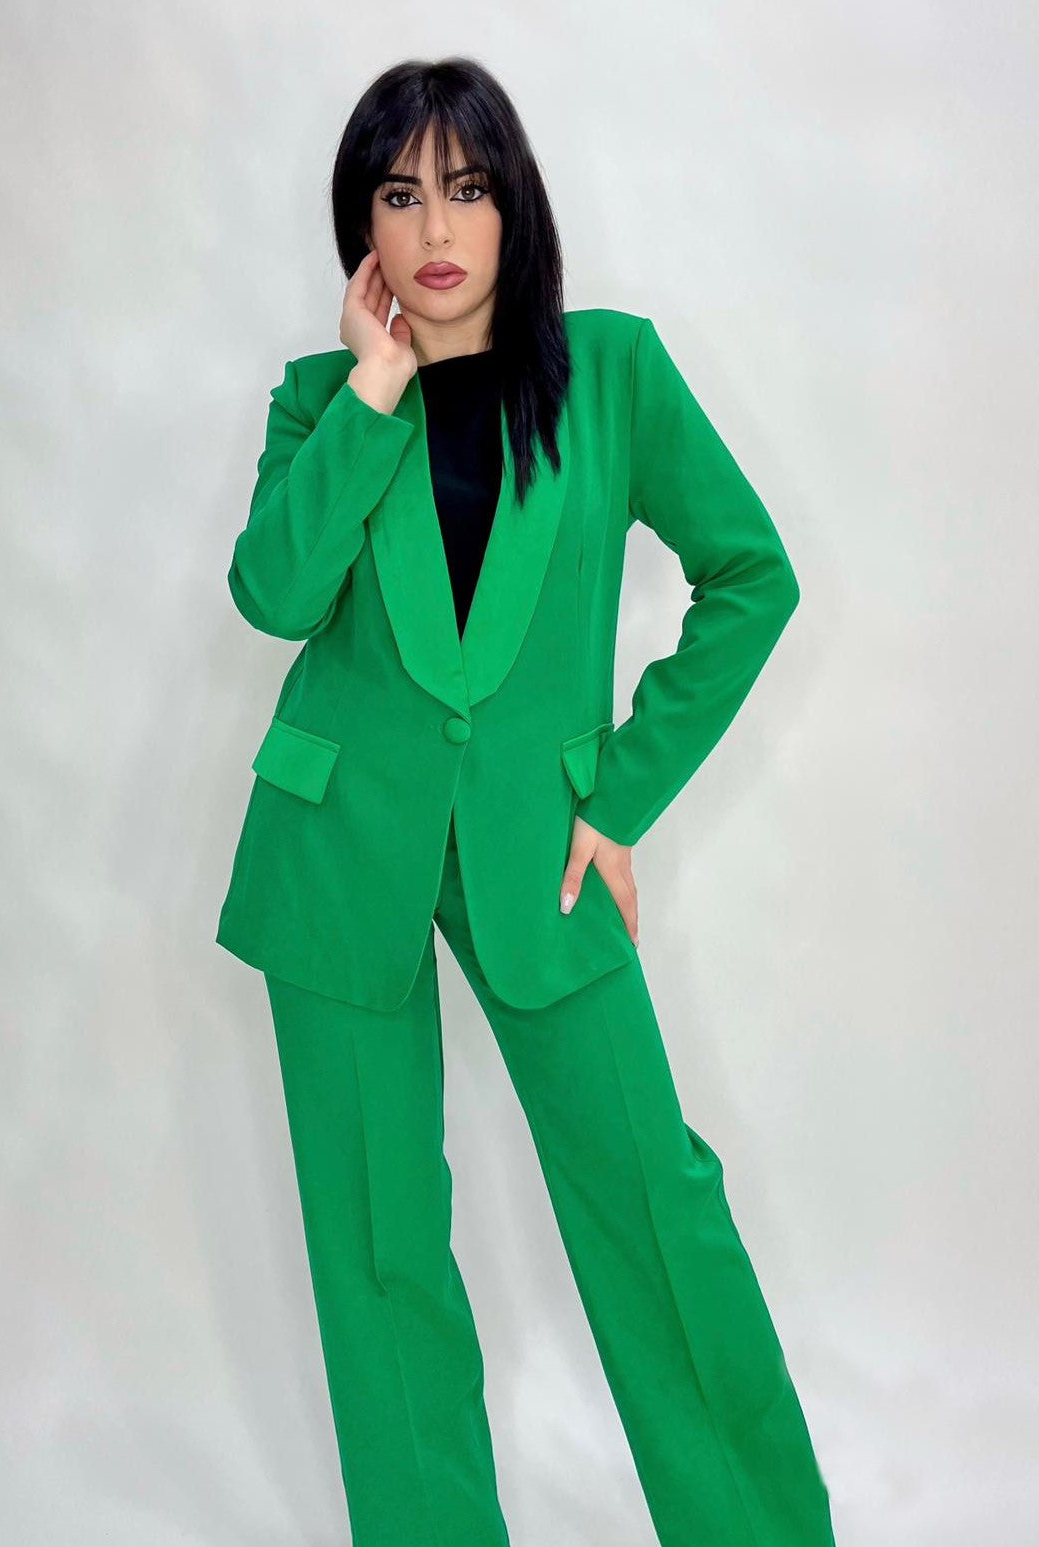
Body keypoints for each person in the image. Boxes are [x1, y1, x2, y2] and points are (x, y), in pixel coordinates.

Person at [216, 54, 837, 1547]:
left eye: (468, 187)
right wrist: (375, 388)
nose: (437, 227)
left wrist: (620, 795)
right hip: (338, 852)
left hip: (545, 854)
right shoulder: (320, 399)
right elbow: (272, 595)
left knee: (656, 1208)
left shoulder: (611, 372)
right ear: (362, 224)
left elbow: (752, 575)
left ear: (516, 205)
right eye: (400, 193)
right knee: (381, 1247)